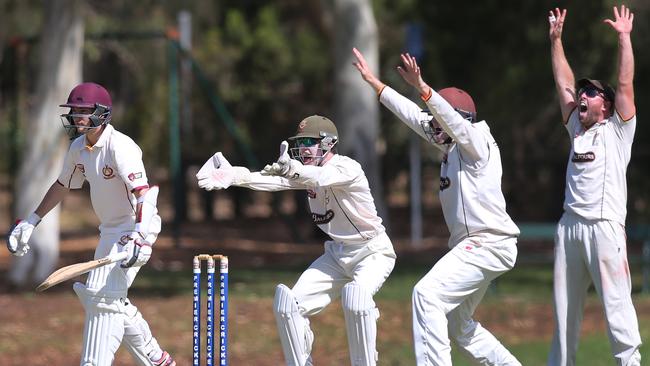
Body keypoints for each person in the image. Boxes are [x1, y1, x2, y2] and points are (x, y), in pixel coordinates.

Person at [353, 48, 521, 365]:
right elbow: (415, 118)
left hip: (487, 242)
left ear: (458, 119)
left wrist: (423, 87)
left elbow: (450, 123)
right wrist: (375, 83)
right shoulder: (451, 144)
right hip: (478, 245)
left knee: (426, 295)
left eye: (439, 120)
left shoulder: (475, 141)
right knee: (460, 325)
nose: (433, 126)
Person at [196, 115, 396, 366]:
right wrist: (236, 176)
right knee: (288, 305)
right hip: (337, 253)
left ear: (329, 143)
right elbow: (278, 181)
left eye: (310, 142)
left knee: (356, 299)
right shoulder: (305, 172)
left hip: (372, 252)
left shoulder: (347, 168)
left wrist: (294, 169)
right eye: (301, 143)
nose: (303, 149)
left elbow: (318, 177)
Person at [5, 82, 176, 366]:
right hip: (109, 231)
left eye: (84, 110)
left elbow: (144, 195)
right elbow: (62, 185)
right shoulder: (78, 148)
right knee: (109, 299)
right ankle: (157, 359)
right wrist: (32, 221)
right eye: (74, 110)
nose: (77, 116)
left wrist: (140, 238)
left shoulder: (120, 147)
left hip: (135, 227)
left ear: (102, 113)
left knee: (101, 298)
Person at [547, 6, 641, 365]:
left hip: (604, 229)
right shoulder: (576, 130)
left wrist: (624, 37)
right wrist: (555, 41)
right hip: (569, 228)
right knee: (564, 318)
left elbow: (626, 84)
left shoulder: (618, 131)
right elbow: (563, 82)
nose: (582, 95)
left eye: (591, 92)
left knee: (617, 313)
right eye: (582, 91)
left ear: (607, 105)